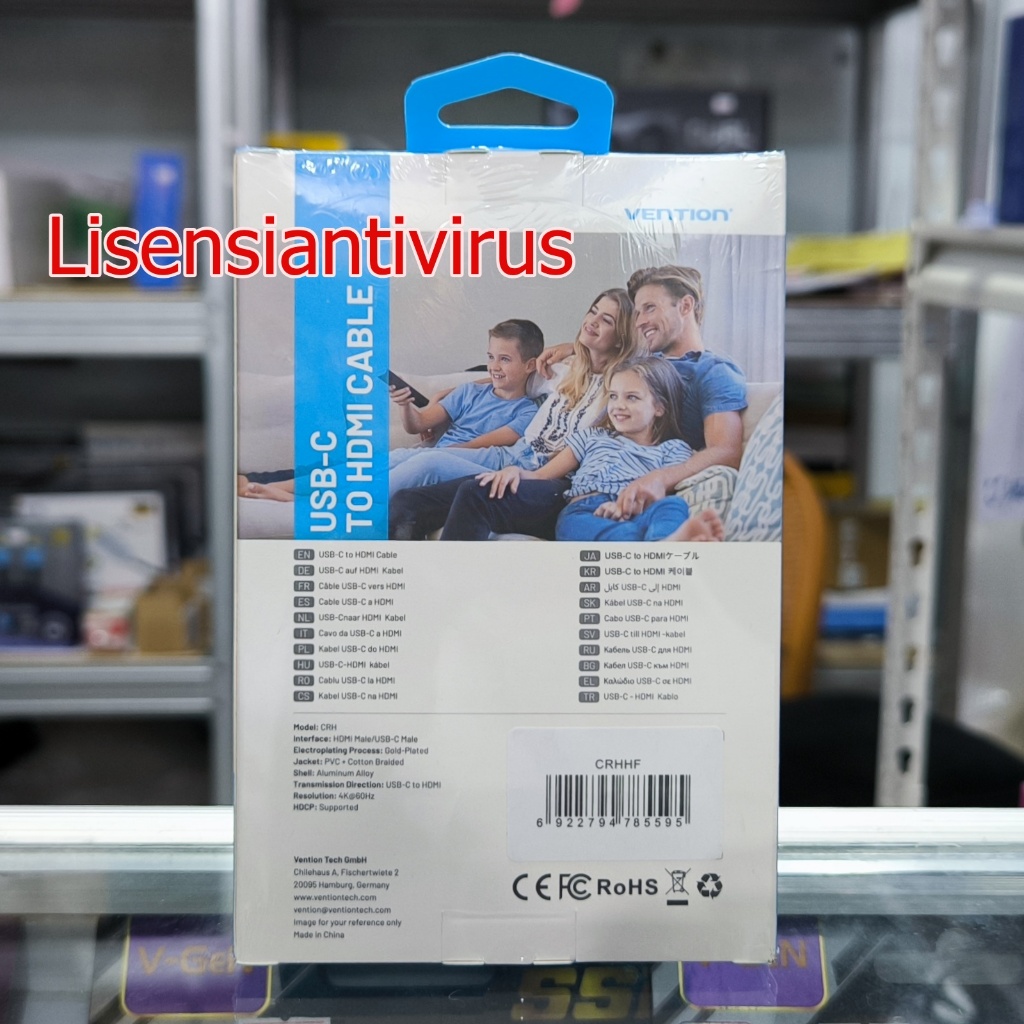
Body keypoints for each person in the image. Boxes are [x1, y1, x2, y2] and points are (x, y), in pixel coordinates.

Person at [388, 289, 638, 539]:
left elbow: (647, 357)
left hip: (547, 471)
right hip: (512, 454)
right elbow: (508, 376)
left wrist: (573, 347)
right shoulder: (563, 372)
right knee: (410, 467)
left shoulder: (621, 387)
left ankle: (366, 504)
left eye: (606, 320)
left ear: (621, 338)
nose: (593, 321)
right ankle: (363, 500)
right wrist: (448, 392)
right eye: (593, 311)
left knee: (429, 463)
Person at [536, 265, 747, 523]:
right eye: (637, 313)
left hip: (620, 492)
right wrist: (574, 348)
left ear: (685, 306)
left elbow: (726, 451)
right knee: (491, 488)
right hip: (574, 473)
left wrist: (659, 478)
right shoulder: (643, 361)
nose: (639, 322)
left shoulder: (712, 371)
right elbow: (613, 349)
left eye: (649, 308)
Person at [445, 357, 724, 543]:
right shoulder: (593, 437)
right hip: (584, 510)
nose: (618, 406)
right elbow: (542, 475)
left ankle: (665, 543)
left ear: (659, 407)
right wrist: (514, 471)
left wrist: (624, 507)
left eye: (632, 398)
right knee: (583, 529)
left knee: (673, 506)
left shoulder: (673, 449)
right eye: (613, 396)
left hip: (636, 512)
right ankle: (656, 549)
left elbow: (667, 490)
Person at [387, 319, 544, 496]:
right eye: (491, 357)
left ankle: (366, 501)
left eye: (505, 359)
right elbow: (418, 425)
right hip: (435, 456)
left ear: (530, 365)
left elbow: (475, 446)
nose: (494, 367)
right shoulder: (469, 391)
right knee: (396, 456)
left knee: (426, 460)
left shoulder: (528, 412)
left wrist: (434, 454)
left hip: (466, 466)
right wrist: (405, 405)